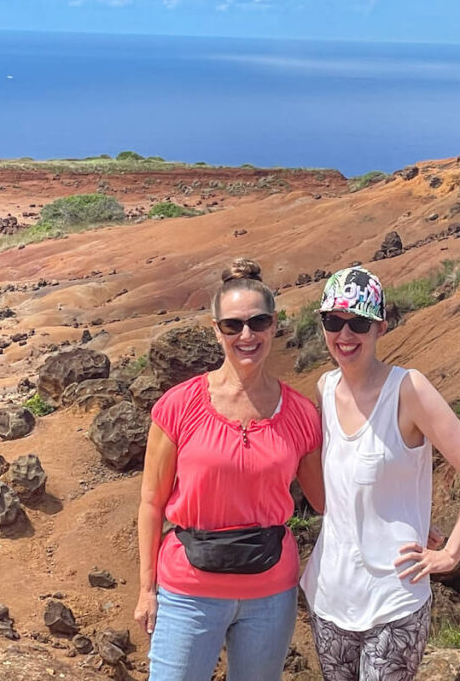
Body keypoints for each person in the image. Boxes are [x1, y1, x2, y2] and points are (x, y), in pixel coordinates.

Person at [300, 265, 460, 681]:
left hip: (393, 600)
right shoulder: (323, 388)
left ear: (381, 327)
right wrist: (402, 515)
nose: (345, 334)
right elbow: (336, 482)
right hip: (330, 596)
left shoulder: (409, 389)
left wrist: (451, 554)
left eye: (359, 323)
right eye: (334, 321)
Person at [134, 258, 324, 681]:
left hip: (271, 593)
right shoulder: (178, 406)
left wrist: (404, 523)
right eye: (232, 325)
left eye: (258, 322)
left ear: (274, 325)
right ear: (215, 327)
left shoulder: (300, 413)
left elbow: (328, 500)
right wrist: (147, 590)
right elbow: (151, 502)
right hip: (188, 590)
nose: (246, 335)